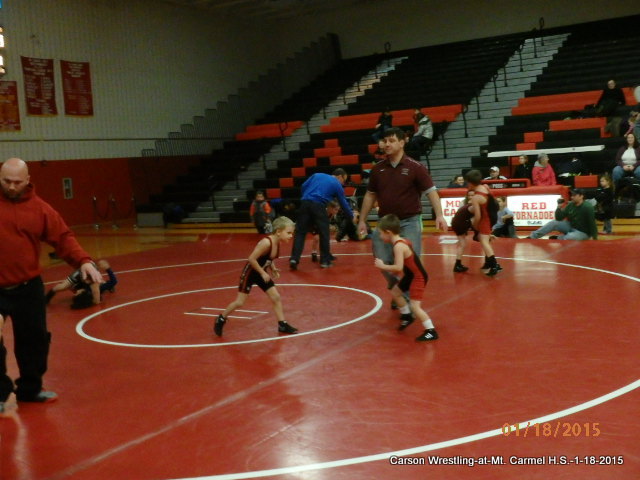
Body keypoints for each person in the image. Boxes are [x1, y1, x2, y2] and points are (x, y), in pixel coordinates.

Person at [0, 158, 103, 414]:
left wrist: (84, 261)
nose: (11, 187)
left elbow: (63, 237)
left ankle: (30, 389)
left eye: (17, 182)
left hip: (28, 287)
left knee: (34, 341)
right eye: (5, 181)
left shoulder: (39, 209)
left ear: (27, 180)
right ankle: (1, 393)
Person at [357, 127, 447, 299]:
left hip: (409, 222)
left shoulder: (416, 167)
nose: (387, 144)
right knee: (381, 261)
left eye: (391, 140)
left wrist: (440, 215)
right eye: (385, 141)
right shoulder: (377, 169)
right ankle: (398, 291)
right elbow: (370, 195)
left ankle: (404, 299)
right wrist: (362, 220)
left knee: (412, 263)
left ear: (401, 142)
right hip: (385, 223)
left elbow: (431, 191)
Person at [214, 216, 298, 336]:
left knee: (276, 297)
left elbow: (268, 258)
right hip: (251, 272)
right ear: (278, 231)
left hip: (260, 273)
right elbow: (251, 259)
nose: (291, 236)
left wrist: (272, 268)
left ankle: (282, 324)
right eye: (289, 233)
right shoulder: (266, 242)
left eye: (292, 233)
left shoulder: (277, 242)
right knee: (240, 302)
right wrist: (263, 272)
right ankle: (221, 318)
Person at [374, 214, 438, 342]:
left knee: (415, 306)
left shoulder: (399, 246)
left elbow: (398, 267)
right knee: (395, 292)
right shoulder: (401, 241)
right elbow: (406, 263)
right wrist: (397, 274)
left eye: (381, 234)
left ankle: (431, 330)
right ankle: (406, 315)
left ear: (388, 232)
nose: (380, 237)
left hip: (417, 277)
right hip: (411, 275)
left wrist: (383, 266)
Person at [289, 168, 355, 270]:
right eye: (344, 180)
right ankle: (324, 261)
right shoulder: (337, 184)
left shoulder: (317, 175)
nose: (343, 183)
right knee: (324, 233)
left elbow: (303, 186)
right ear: (340, 176)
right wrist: (351, 216)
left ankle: (294, 259)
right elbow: (343, 203)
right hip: (318, 206)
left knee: (300, 232)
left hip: (305, 203)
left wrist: (307, 196)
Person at [464, 169, 502, 276]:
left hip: (486, 219)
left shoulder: (476, 197)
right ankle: (489, 263)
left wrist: (475, 225)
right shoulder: (485, 187)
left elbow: (478, 216)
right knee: (485, 239)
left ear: (470, 183)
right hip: (492, 216)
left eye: (467, 182)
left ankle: (495, 265)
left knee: (484, 241)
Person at [527, 188, 598, 240]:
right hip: (571, 227)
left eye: (574, 195)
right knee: (553, 223)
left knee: (571, 237)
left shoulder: (587, 207)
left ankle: (559, 238)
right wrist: (559, 207)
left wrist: (594, 238)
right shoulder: (571, 205)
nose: (572, 197)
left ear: (581, 196)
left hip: (583, 232)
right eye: (572, 195)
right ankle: (532, 237)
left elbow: (592, 223)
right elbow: (559, 218)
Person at [45, 259, 118, 309]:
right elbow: (113, 281)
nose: (76, 293)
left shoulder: (80, 288)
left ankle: (46, 298)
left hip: (84, 280)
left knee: (64, 287)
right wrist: (108, 269)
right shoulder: (98, 287)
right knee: (62, 286)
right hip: (88, 277)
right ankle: (46, 298)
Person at [451, 191, 476, 273]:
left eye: (473, 195)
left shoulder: (469, 204)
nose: (471, 197)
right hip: (460, 223)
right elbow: (475, 218)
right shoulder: (471, 205)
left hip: (458, 222)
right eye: (470, 195)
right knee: (462, 244)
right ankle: (457, 265)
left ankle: (458, 264)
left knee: (462, 244)